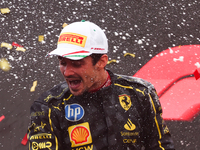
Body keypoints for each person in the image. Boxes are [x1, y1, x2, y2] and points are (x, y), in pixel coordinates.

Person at [27, 20, 175, 150]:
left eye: (77, 64)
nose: (67, 72)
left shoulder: (140, 93)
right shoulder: (48, 106)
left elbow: (161, 146)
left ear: (101, 62)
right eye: (62, 63)